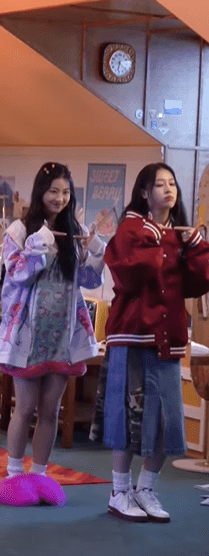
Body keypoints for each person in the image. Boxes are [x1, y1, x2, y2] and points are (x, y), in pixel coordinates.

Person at [104, 162, 209, 523]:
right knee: (129, 416)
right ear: (144, 192)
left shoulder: (178, 235)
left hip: (168, 338)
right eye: (160, 184)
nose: (169, 189)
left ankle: (146, 488)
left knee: (166, 418)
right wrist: (158, 240)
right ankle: (119, 491)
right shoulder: (131, 229)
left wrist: (195, 246)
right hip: (133, 335)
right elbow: (127, 276)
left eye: (172, 183)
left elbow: (198, 283)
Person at [0, 162, 106, 483]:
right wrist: (37, 244)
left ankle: (40, 475)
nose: (60, 198)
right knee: (25, 407)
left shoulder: (75, 231)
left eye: (66, 192)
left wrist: (95, 251)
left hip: (63, 334)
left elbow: (87, 280)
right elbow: (16, 274)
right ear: (40, 191)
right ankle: (14, 475)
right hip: (28, 334)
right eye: (54, 191)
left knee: (51, 409)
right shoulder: (19, 230)